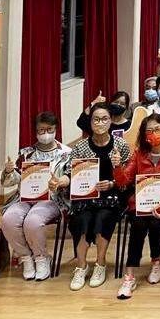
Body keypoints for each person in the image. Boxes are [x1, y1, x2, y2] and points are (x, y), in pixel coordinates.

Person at [112, 113, 160, 299]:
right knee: (138, 224)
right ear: (144, 135)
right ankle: (129, 276)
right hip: (141, 203)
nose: (154, 133)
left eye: (157, 129)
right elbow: (124, 181)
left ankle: (156, 261)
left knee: (156, 223)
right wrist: (117, 166)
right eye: (149, 131)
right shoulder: (139, 153)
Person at [62, 102, 132, 291]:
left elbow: (128, 177)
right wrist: (61, 181)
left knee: (103, 217)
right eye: (96, 119)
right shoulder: (81, 146)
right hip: (86, 195)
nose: (100, 123)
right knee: (81, 220)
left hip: (112, 196)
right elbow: (70, 173)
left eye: (104, 119)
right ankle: (81, 266)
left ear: (111, 121)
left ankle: (100, 263)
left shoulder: (121, 145)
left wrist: (112, 182)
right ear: (90, 122)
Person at [0, 112, 71, 282]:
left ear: (56, 129)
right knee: (8, 219)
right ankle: (26, 257)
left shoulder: (66, 153)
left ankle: (41, 257)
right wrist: (9, 171)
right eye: (41, 130)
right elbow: (14, 180)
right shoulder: (26, 153)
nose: (46, 133)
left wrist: (60, 182)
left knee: (33, 220)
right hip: (25, 198)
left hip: (52, 198)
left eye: (49, 129)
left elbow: (70, 176)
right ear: (36, 131)